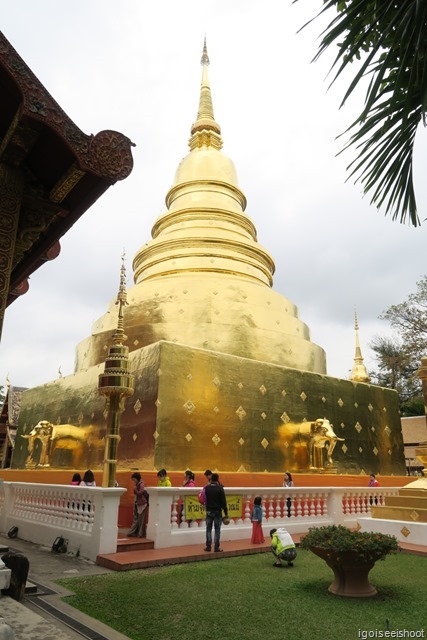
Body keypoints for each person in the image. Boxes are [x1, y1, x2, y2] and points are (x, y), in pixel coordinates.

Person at [204, 473, 228, 553]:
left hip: (209, 511)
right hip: (217, 511)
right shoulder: (220, 489)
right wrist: (226, 512)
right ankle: (216, 547)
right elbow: (224, 502)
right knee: (217, 530)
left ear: (211, 479)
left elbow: (204, 499)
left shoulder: (207, 488)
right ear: (217, 479)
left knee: (208, 529)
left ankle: (208, 546)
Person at [128, 472, 148, 538]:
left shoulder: (141, 484)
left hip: (142, 503)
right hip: (138, 503)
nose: (133, 481)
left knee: (141, 520)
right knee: (138, 519)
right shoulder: (137, 484)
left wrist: (135, 489)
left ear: (137, 478)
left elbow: (140, 493)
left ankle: (140, 533)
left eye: (134, 479)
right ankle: (137, 532)